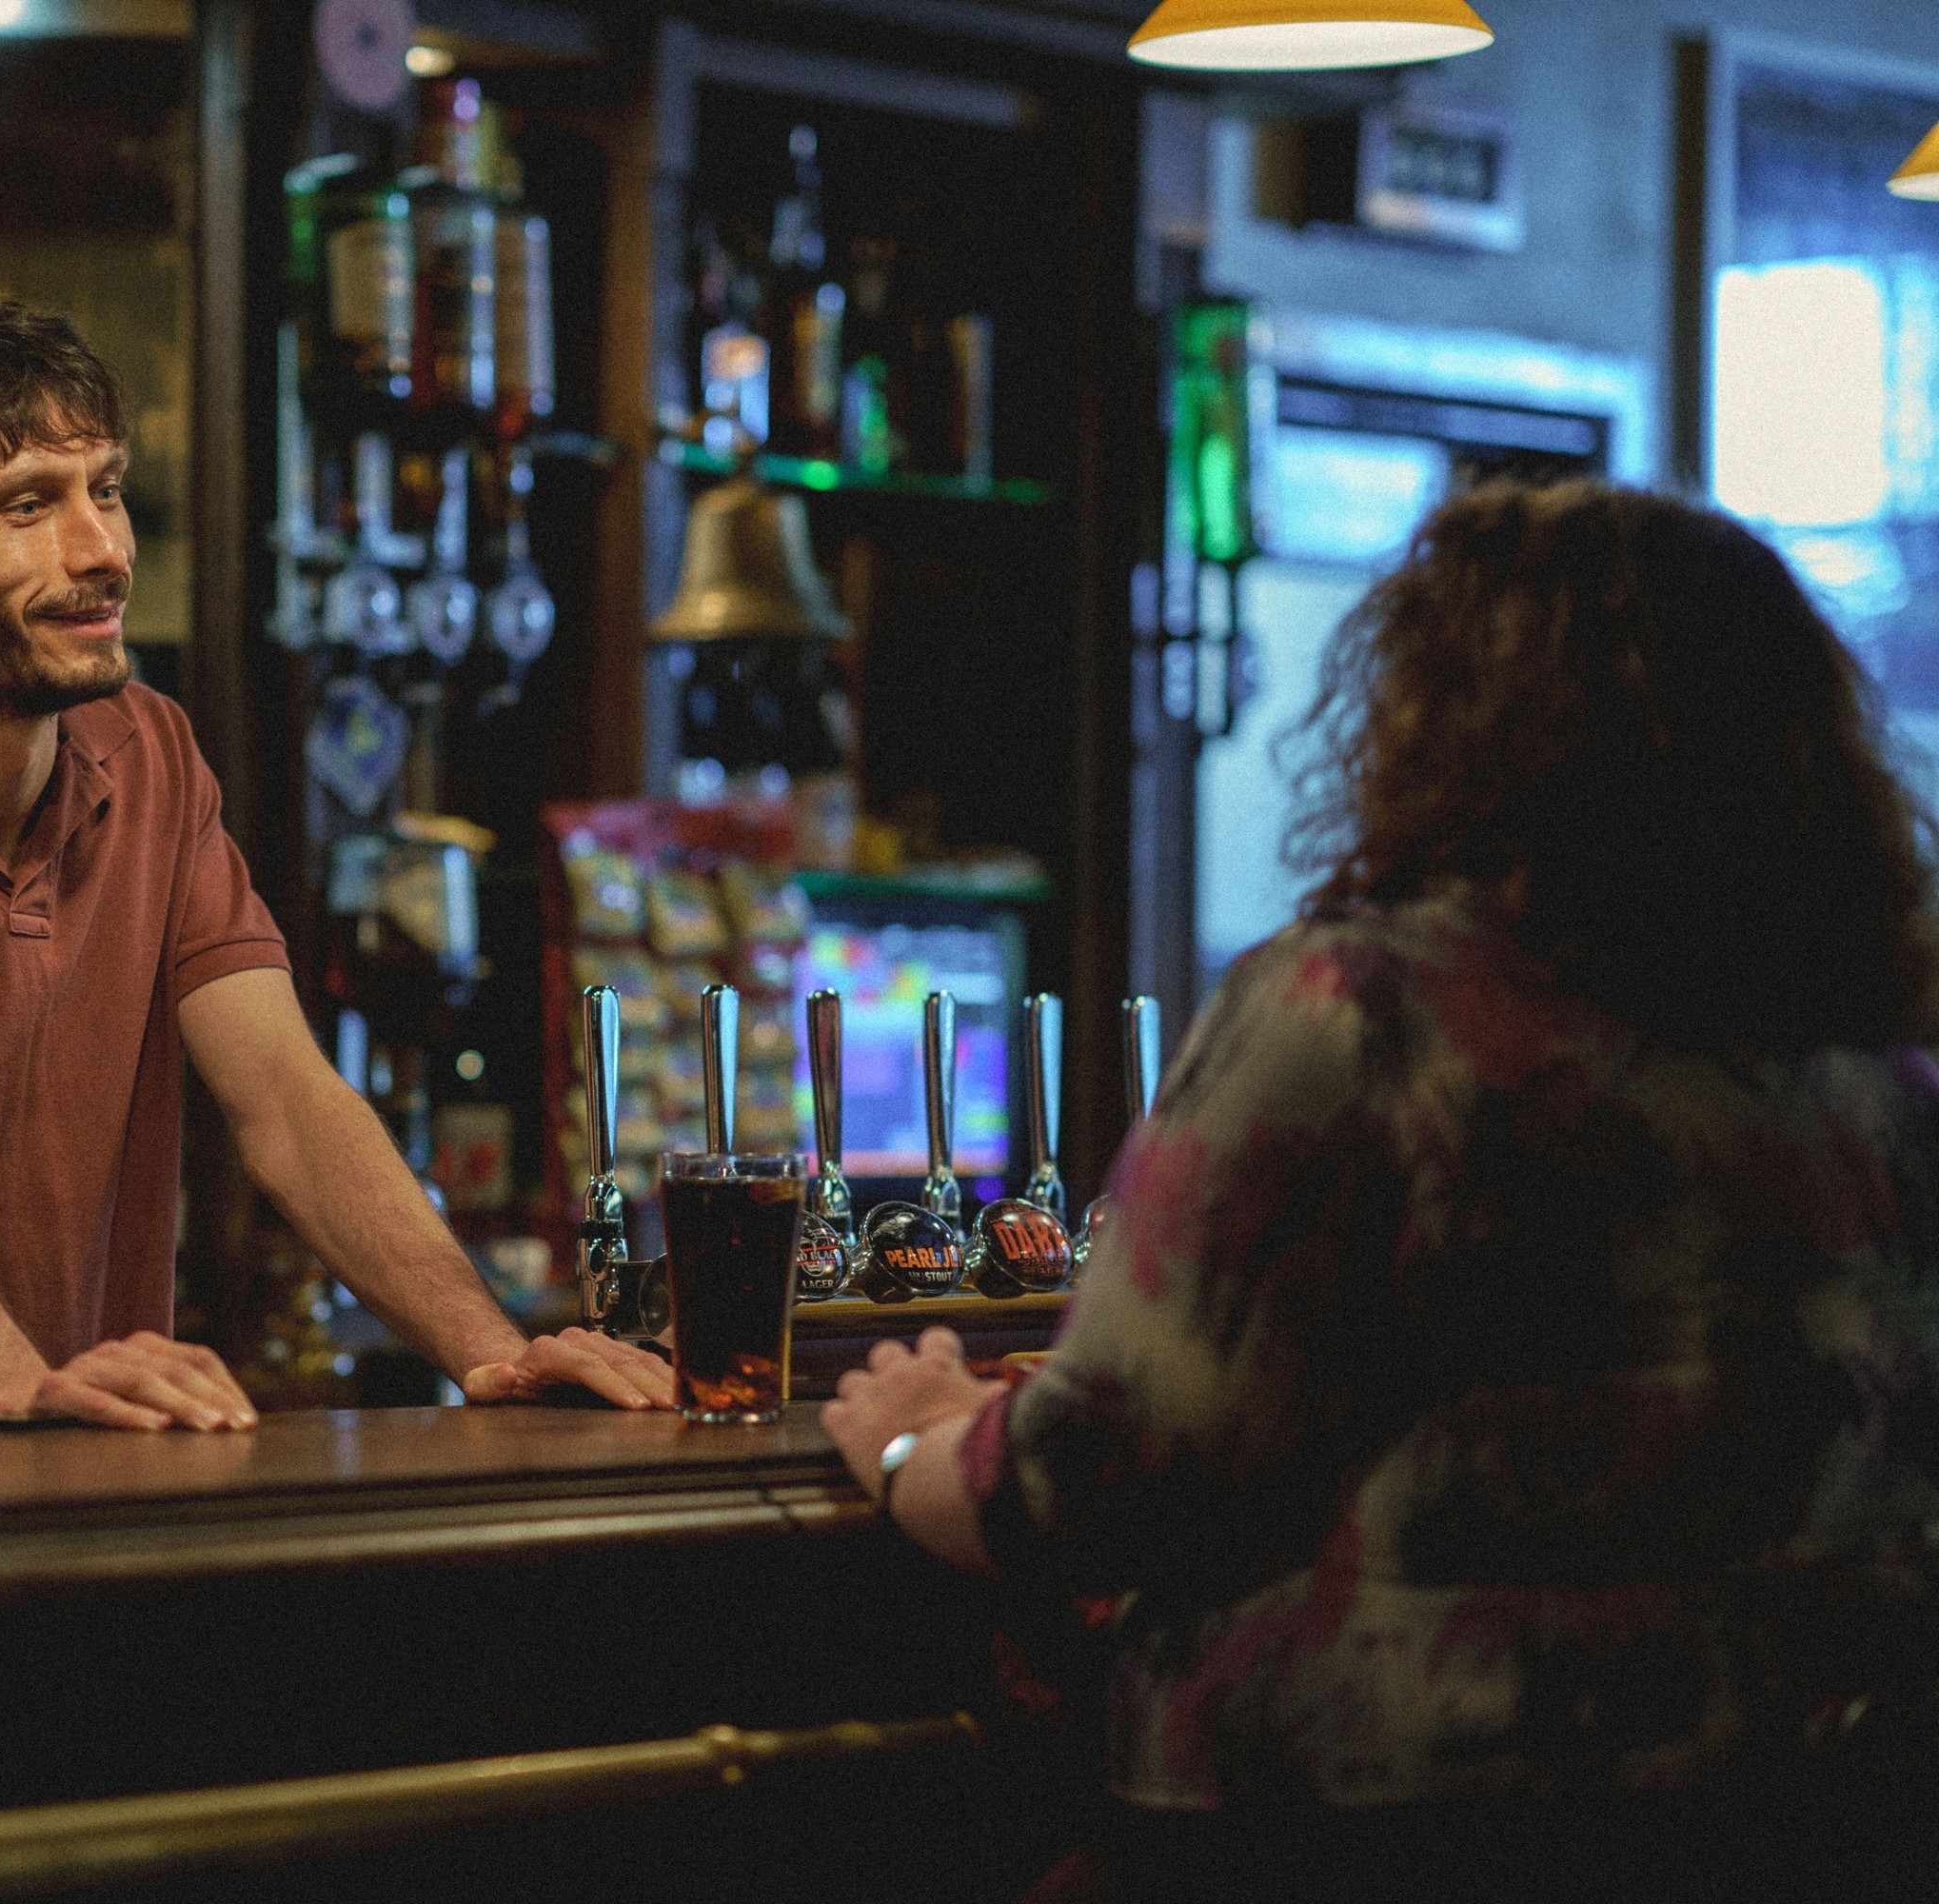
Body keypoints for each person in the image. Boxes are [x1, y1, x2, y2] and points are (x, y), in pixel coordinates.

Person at [826, 483, 1939, 1899]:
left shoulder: (1360, 1009)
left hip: (1387, 1822)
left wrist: (921, 1443)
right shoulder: (1882, 1076)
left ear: (1442, 720)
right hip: (1815, 1816)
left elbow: (1090, 1485)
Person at [0, 297, 670, 1425]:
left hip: (74, 1467)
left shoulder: (149, 751)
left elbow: (284, 1095)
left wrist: (490, 1355)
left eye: (106, 489)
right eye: (28, 505)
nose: (104, 550)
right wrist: (22, 1385)